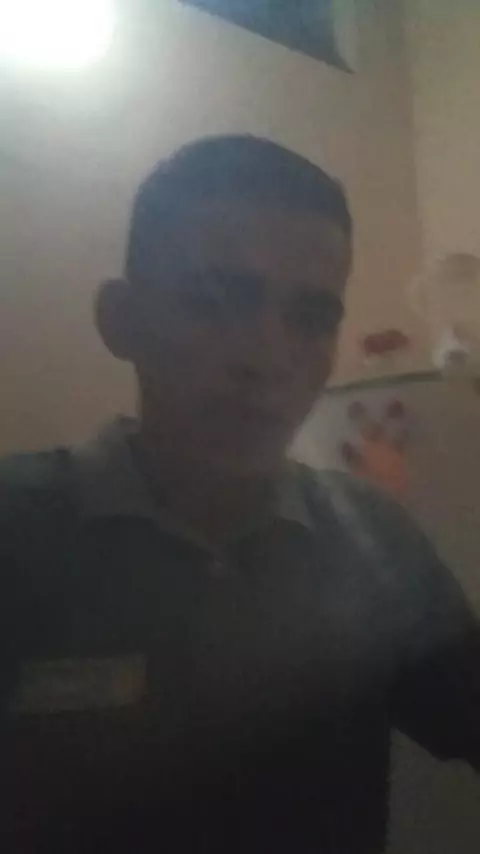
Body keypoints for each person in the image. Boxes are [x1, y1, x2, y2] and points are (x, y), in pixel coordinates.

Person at [0, 135, 478, 854]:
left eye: (310, 318)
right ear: (122, 320)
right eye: (214, 301)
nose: (266, 356)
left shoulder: (374, 541)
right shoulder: (15, 532)